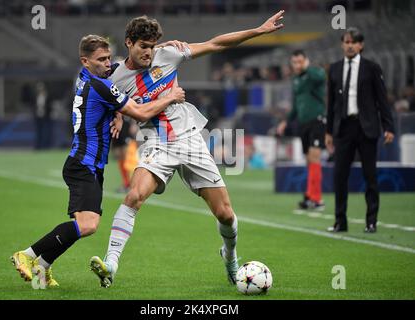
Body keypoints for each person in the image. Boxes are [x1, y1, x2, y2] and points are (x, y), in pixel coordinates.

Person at [89, 11, 285, 288]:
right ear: (129, 43)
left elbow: (216, 44)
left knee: (226, 215)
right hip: (156, 144)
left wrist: (258, 30)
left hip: (191, 140)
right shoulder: (116, 78)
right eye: (143, 46)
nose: (148, 52)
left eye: (152, 46)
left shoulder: (169, 54)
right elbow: (112, 102)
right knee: (134, 196)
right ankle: (111, 263)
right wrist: (119, 115)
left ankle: (230, 258)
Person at [10, 34, 185, 287]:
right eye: (101, 60)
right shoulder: (100, 86)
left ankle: (42, 270)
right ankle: (26, 255)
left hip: (88, 164)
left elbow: (125, 62)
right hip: (84, 164)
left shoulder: (87, 77)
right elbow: (139, 111)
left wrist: (162, 46)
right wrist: (170, 97)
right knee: (88, 224)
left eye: (108, 58)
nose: (107, 64)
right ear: (85, 61)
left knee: (83, 224)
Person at [325, 27, 395, 233]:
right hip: (343, 128)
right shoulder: (335, 68)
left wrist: (388, 126)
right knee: (339, 176)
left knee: (370, 175)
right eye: (346, 41)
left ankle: (371, 221)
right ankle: (340, 221)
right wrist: (329, 131)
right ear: (342, 44)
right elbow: (332, 104)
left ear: (361, 45)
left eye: (353, 42)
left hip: (367, 127)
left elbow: (382, 99)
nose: (349, 45)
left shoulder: (372, 68)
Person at [277, 50, 326, 211]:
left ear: (306, 61)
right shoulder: (296, 80)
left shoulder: (313, 74)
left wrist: (307, 68)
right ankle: (310, 196)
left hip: (317, 120)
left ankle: (317, 199)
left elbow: (321, 77)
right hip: (303, 123)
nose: (297, 65)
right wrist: (285, 122)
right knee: (308, 160)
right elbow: (296, 105)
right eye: (295, 62)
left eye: (300, 62)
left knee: (314, 157)